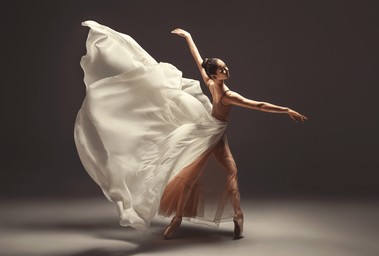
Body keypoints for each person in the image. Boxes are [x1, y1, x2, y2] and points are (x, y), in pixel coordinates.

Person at [74, 21, 306, 241]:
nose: (227, 70)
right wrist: (286, 109)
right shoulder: (227, 95)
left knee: (214, 174)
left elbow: (199, 61)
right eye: (223, 69)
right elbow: (258, 105)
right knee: (208, 174)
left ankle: (230, 216)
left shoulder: (211, 83)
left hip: (213, 131)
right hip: (210, 134)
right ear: (215, 75)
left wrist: (189, 38)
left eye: (225, 67)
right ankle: (195, 218)